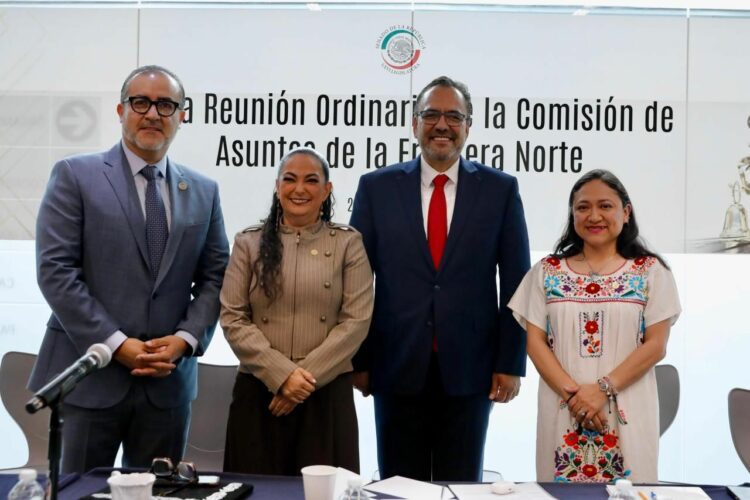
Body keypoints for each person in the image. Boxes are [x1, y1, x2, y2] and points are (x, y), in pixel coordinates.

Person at [29, 65, 230, 473]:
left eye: (166, 105)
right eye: (141, 102)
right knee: (81, 492)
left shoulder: (204, 190)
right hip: (92, 377)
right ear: (121, 110)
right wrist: (116, 344)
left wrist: (185, 339)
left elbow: (216, 276)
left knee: (159, 495)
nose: (153, 113)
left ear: (181, 116)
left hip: (167, 383)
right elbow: (56, 271)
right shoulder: (75, 175)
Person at [349, 76, 530, 481]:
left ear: (469, 126)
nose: (442, 125)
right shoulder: (376, 187)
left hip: (472, 370)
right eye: (431, 115)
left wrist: (510, 361)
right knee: (399, 487)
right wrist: (358, 359)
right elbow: (356, 281)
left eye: (454, 116)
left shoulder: (500, 190)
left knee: (461, 486)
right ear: (414, 123)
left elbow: (517, 283)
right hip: (395, 366)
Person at [508, 169, 681, 483]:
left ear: (626, 213)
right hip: (563, 409)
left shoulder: (650, 271)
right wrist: (577, 400)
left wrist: (601, 390)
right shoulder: (547, 271)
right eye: (583, 207)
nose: (594, 216)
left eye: (605, 206)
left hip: (627, 408)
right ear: (572, 214)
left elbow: (656, 345)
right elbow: (535, 342)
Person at [220, 147, 373, 475]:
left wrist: (301, 382)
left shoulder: (348, 243)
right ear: (278, 187)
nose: (299, 188)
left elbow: (356, 321)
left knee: (325, 494)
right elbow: (233, 317)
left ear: (327, 190)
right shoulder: (248, 242)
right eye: (289, 179)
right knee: (258, 492)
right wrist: (281, 376)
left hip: (325, 395)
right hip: (260, 392)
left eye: (311, 180)